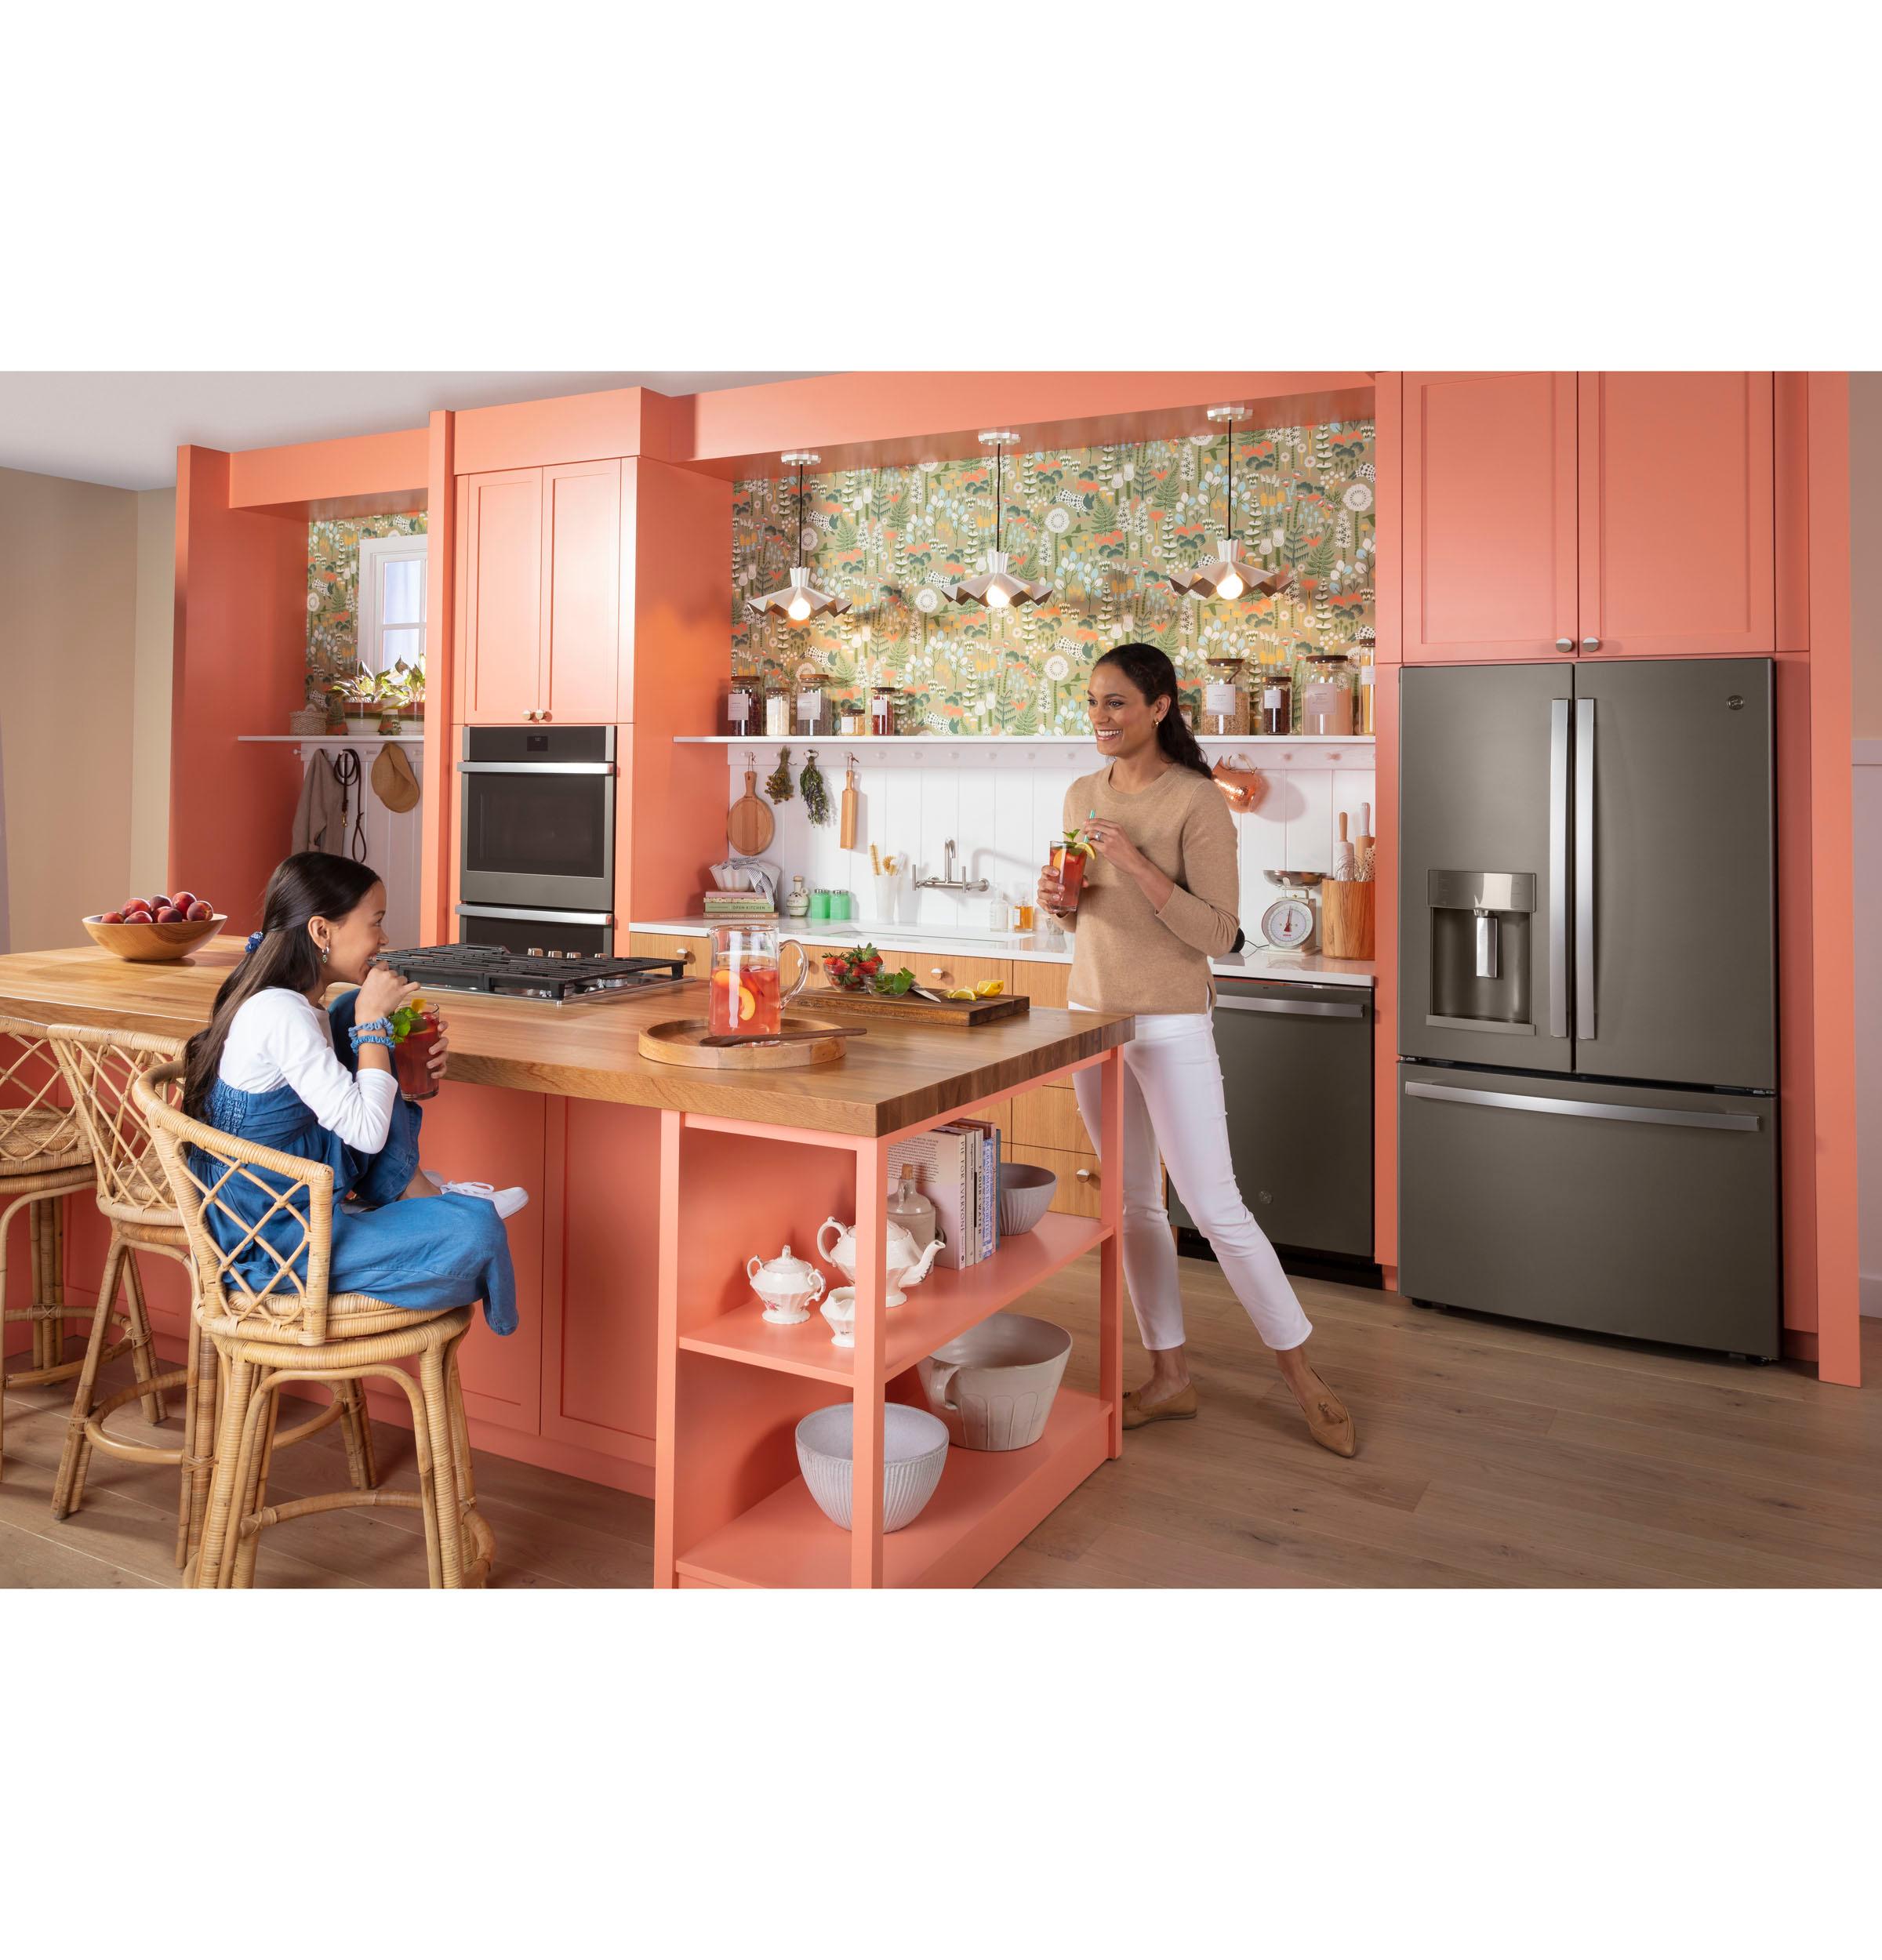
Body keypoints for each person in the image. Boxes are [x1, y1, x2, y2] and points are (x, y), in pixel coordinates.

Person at [1038, 644, 1356, 1455]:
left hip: (1172, 1022)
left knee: (1214, 1207)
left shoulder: (1197, 800)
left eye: (1116, 702)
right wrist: (1058, 902)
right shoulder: (1080, 794)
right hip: (1093, 1018)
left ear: (1159, 707)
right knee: (1134, 1206)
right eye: (1092, 701)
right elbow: (1084, 915)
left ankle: (1303, 1375)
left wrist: (1135, 863)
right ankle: (1169, 1376)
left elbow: (1219, 933)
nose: (1100, 717)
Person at [179, 851, 525, 1333]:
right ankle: (425, 1206)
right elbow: (364, 1132)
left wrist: (400, 1066)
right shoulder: (280, 1013)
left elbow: (351, 1109)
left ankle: (412, 1192)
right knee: (476, 1229)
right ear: (322, 931)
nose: (384, 939)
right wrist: (372, 1024)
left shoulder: (298, 1003)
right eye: (375, 922)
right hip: (273, 1237)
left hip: (303, 1191)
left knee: (349, 1012)